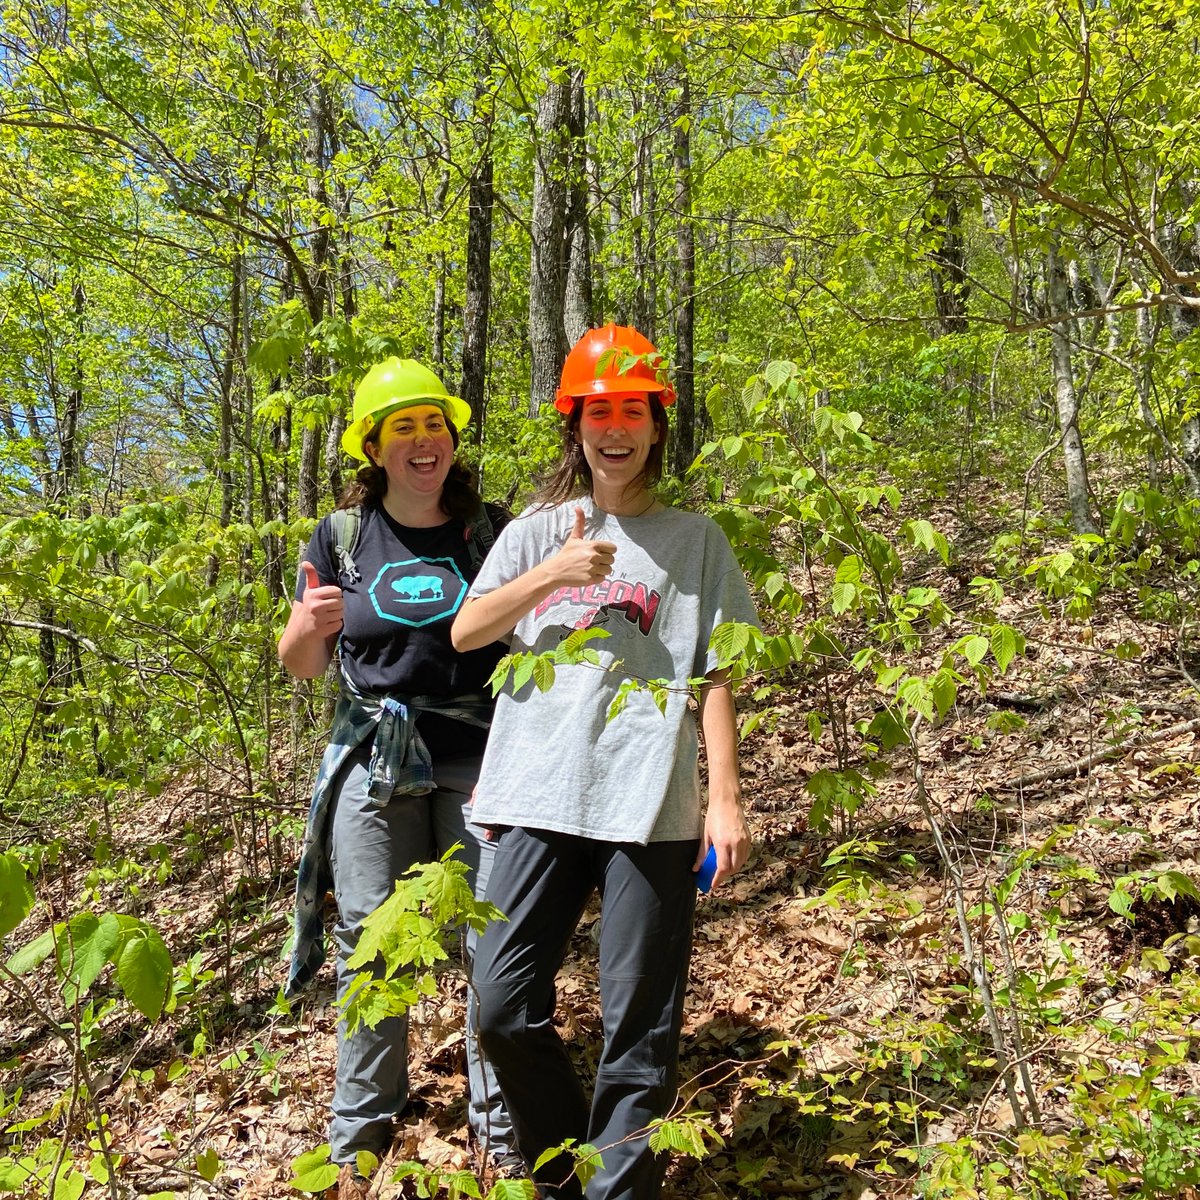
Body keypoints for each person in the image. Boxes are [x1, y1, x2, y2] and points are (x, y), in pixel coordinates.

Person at [450, 324, 759, 1200]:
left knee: (638, 1029)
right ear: (574, 426)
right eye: (597, 412)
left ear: (658, 423)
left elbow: (719, 671)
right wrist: (552, 574)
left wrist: (725, 803)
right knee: (502, 1010)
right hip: (537, 796)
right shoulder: (535, 533)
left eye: (632, 410)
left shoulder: (696, 541)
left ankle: (614, 1189)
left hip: (649, 805)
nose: (614, 429)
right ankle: (561, 1176)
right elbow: (468, 631)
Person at [279, 357, 517, 1199]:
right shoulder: (339, 538)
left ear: (452, 439)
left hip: (481, 757)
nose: (424, 441)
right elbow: (301, 663)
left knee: (496, 945)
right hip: (372, 760)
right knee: (372, 945)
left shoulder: (490, 530)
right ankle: (360, 1135)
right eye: (403, 428)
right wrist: (308, 626)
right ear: (373, 448)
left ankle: (501, 1130)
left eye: (435, 425)